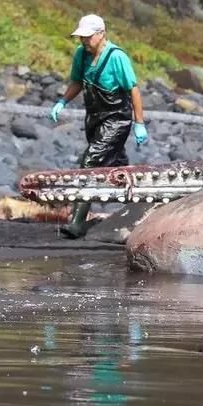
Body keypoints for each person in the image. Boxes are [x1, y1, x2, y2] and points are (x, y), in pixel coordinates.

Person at [48, 14, 147, 239]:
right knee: (114, 162)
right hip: (93, 117)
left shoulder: (117, 57)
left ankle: (77, 223)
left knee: (90, 162)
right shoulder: (81, 55)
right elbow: (77, 81)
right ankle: (137, 204)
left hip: (117, 119)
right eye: (81, 37)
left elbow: (133, 89)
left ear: (101, 34)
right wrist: (62, 102)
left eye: (87, 37)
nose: (83, 41)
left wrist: (139, 123)